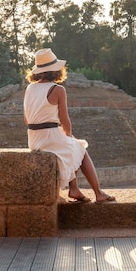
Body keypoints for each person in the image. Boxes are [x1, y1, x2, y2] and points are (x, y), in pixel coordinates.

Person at [23, 48, 116, 203]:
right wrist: (68, 135)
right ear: (56, 70)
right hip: (50, 136)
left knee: (73, 146)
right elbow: (65, 120)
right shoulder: (58, 89)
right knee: (80, 148)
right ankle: (97, 193)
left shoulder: (29, 88)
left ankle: (75, 189)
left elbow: (26, 119)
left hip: (34, 138)